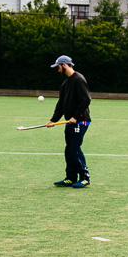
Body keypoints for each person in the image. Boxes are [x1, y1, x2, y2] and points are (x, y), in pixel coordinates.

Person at [46, 55, 92, 188]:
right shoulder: (66, 83)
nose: (58, 70)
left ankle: (84, 178)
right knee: (68, 150)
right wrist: (53, 120)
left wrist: (76, 117)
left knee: (75, 149)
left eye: (58, 67)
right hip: (69, 122)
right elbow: (61, 104)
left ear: (64, 65)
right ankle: (71, 177)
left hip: (80, 122)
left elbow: (86, 100)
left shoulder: (79, 79)